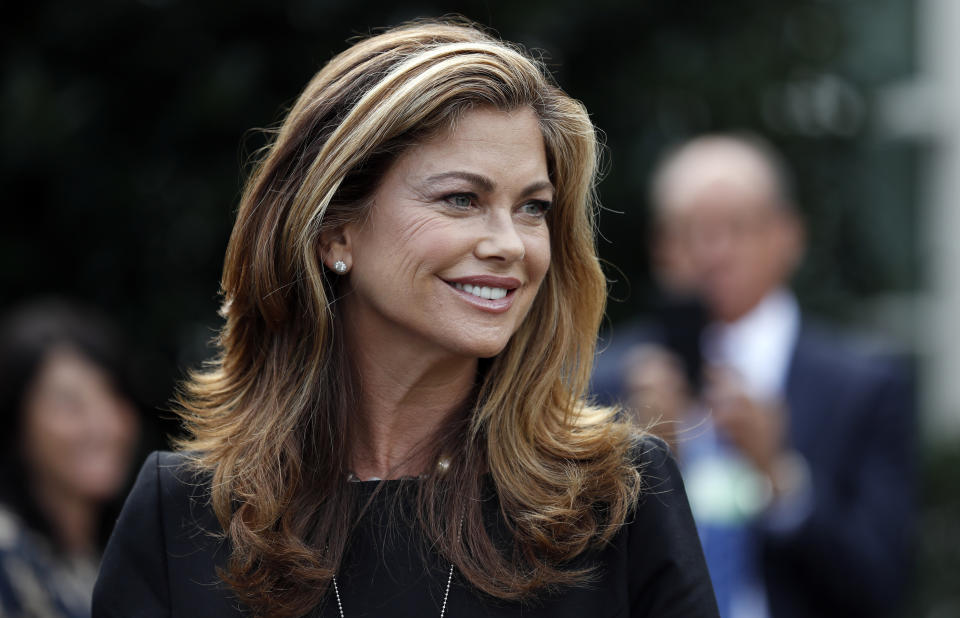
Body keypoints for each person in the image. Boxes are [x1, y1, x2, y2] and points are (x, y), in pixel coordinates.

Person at [92, 20, 719, 618]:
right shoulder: (186, 514)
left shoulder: (618, 500)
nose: (510, 243)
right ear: (335, 231)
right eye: (461, 199)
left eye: (533, 208)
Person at [593, 134, 916, 618]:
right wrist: (639, 467)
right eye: (689, 231)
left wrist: (780, 477)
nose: (712, 252)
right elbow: (566, 585)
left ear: (789, 236)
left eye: (735, 228)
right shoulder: (601, 380)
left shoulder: (863, 386)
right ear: (660, 247)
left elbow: (881, 583)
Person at [0, 299, 142, 618]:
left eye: (112, 396)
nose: (102, 425)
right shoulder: (6, 552)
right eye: (70, 404)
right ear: (17, 424)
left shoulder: (110, 562)